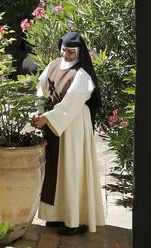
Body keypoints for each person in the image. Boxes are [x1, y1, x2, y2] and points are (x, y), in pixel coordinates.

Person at [30, 31, 105, 235]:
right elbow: (41, 88)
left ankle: (75, 220)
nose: (66, 55)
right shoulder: (54, 64)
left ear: (79, 53)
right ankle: (56, 216)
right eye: (64, 50)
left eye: (71, 52)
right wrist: (39, 112)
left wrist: (47, 117)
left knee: (72, 169)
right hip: (55, 122)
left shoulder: (82, 75)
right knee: (56, 170)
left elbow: (71, 104)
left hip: (74, 125)